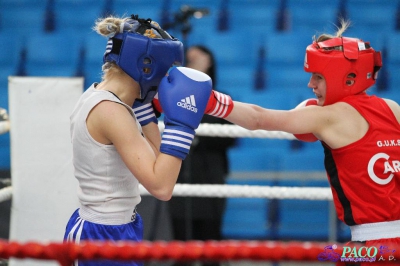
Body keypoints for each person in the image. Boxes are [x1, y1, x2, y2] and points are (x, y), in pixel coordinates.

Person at [200, 20, 400, 266]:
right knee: (331, 255)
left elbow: (258, 118)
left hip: (370, 249)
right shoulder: (392, 109)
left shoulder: (326, 116)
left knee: (326, 255)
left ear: (343, 77)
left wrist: (206, 100)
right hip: (389, 246)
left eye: (318, 77)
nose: (310, 85)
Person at [63, 14, 213, 266]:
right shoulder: (111, 111)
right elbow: (162, 187)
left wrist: (145, 113)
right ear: (146, 64)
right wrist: (182, 126)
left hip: (119, 228)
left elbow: (156, 160)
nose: (167, 76)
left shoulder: (105, 98)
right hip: (101, 235)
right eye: (167, 68)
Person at [168, 45, 236, 266]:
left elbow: (231, 137)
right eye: (188, 59)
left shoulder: (224, 99)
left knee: (210, 245)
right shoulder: (174, 98)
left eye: (197, 58)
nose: (191, 61)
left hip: (210, 176)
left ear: (209, 61)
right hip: (180, 177)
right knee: (181, 247)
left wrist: (197, 135)